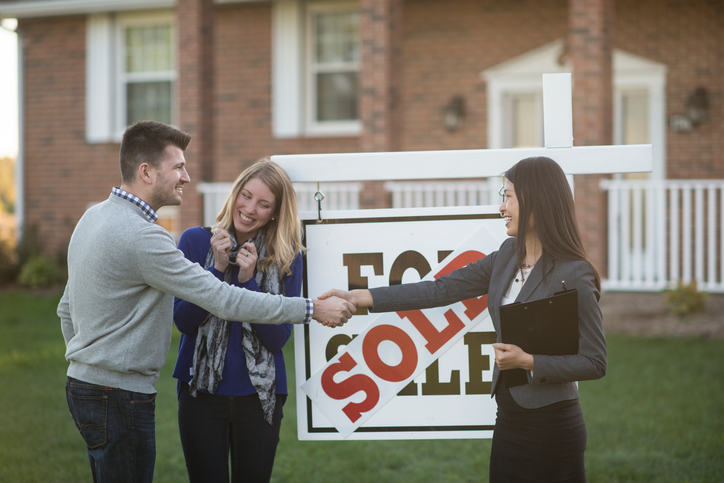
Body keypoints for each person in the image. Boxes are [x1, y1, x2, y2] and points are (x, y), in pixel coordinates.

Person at [57, 121, 354, 483]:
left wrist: (85, 363)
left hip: (92, 387)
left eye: (263, 203)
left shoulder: (94, 216)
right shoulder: (151, 237)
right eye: (179, 167)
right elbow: (213, 304)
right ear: (147, 172)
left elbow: (65, 308)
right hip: (127, 392)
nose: (187, 176)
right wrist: (310, 308)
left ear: (276, 211)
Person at [322, 156, 607, 482]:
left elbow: (595, 362)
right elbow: (439, 290)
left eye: (508, 196)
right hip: (509, 420)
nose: (502, 206)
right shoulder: (505, 257)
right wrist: (359, 297)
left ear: (536, 199)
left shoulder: (574, 274)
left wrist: (529, 361)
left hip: (553, 427)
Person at [173, 159, 302, 482]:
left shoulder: (287, 256)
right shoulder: (195, 241)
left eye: (263, 204)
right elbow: (184, 322)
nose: (249, 209)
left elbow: (276, 340)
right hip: (199, 393)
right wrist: (215, 271)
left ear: (274, 212)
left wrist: (248, 281)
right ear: (234, 194)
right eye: (246, 195)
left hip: (260, 397)